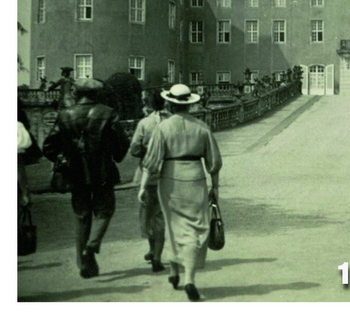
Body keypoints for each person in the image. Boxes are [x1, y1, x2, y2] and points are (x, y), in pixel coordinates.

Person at [139, 84, 223, 301]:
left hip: (170, 181)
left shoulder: (163, 128)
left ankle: (174, 270)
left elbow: (152, 162)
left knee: (173, 225)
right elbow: (213, 162)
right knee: (194, 229)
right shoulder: (202, 127)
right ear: (190, 103)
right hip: (195, 180)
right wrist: (215, 187)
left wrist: (142, 186)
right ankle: (189, 279)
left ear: (170, 103)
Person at [42, 78, 129, 279]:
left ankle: (83, 264)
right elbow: (121, 144)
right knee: (105, 211)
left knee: (81, 216)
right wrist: (115, 156)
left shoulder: (65, 115)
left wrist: (63, 157)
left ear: (77, 93)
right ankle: (91, 246)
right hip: (103, 171)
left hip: (75, 172)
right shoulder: (108, 113)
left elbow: (49, 147)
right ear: (96, 94)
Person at [128, 94, 172, 272]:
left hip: (148, 172)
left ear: (149, 105)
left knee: (148, 213)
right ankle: (157, 256)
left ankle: (152, 249)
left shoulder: (144, 123)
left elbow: (134, 149)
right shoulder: (172, 121)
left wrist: (146, 153)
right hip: (168, 172)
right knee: (160, 216)